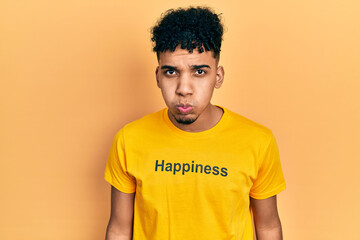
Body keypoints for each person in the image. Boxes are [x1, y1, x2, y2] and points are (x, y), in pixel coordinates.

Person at [104, 6, 286, 240]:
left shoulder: (258, 141)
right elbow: (119, 229)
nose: (184, 89)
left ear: (217, 77)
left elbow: (268, 227)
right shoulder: (129, 140)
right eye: (171, 72)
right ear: (158, 76)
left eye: (199, 72)